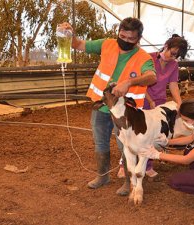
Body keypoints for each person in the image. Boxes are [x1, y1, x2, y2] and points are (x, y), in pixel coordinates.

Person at [61, 18, 156, 195]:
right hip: (102, 104)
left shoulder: (144, 57)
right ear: (118, 32)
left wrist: (129, 82)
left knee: (126, 146)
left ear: (139, 39)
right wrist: (71, 34)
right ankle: (103, 175)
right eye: (122, 36)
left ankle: (130, 181)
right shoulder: (107, 44)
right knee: (100, 141)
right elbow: (78, 45)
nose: (125, 41)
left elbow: (152, 77)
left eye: (131, 39)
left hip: (125, 112)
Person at [117, 34, 189, 178]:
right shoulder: (148, 57)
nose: (173, 57)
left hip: (159, 103)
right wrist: (149, 100)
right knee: (133, 133)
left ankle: (148, 165)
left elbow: (173, 85)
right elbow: (141, 81)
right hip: (142, 99)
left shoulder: (174, 65)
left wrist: (180, 104)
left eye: (177, 56)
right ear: (166, 46)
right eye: (173, 53)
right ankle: (124, 165)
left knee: (154, 135)